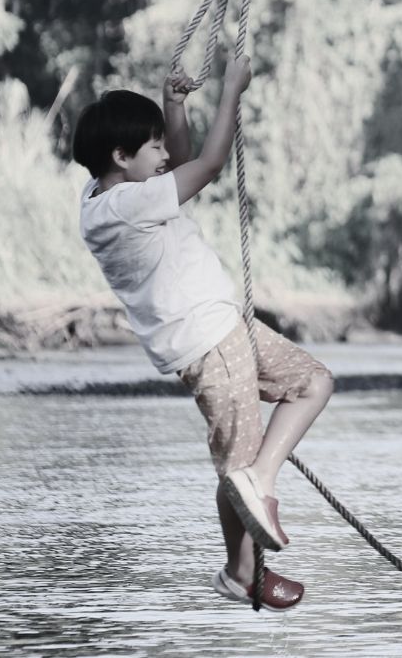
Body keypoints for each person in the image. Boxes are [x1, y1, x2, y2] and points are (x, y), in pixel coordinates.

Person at [73, 56, 335, 611]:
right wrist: (232, 90)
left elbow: (185, 164)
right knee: (235, 465)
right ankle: (242, 571)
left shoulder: (105, 196)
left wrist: (174, 108)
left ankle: (260, 487)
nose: (166, 155)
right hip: (207, 341)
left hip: (226, 325)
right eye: (154, 146)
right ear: (121, 157)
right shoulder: (125, 205)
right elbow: (209, 164)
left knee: (312, 383)